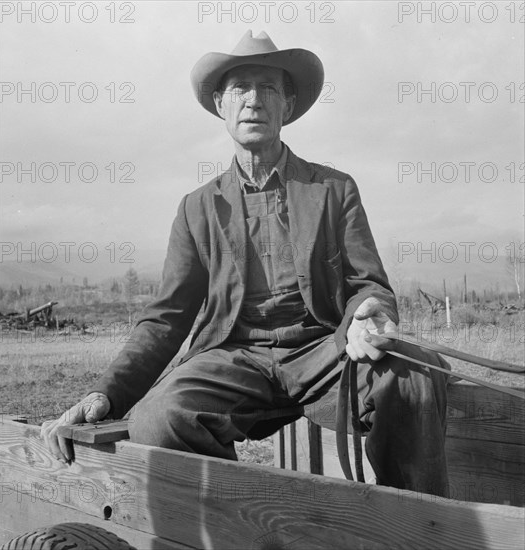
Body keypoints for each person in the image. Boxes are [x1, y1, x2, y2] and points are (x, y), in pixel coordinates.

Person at [42, 31, 449, 496]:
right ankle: (249, 518)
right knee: (158, 418)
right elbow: (166, 318)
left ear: (287, 106)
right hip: (236, 358)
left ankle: (419, 526)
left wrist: (369, 312)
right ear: (221, 105)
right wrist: (105, 393)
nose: (254, 101)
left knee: (415, 371)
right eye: (240, 89)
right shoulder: (197, 208)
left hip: (323, 351)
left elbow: (368, 284)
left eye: (269, 88)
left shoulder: (334, 190)